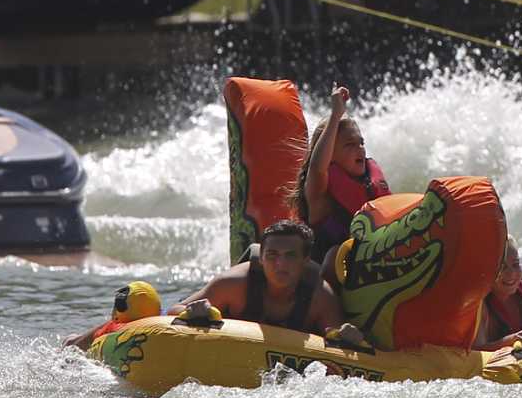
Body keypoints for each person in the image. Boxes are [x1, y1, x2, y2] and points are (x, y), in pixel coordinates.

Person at [175, 219, 365, 343]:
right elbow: (172, 312)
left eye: (290, 256)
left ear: (305, 260)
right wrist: (191, 312)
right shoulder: (232, 284)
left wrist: (348, 337)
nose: (280, 264)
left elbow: (338, 339)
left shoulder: (320, 296)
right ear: (262, 258)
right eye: (272, 255)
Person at [295, 85, 389, 265]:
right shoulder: (319, 193)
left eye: (361, 143)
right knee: (334, 255)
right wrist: (336, 114)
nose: (360, 149)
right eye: (350, 145)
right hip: (329, 273)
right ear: (330, 154)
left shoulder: (371, 179)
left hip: (374, 263)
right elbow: (317, 167)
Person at [65, 280, 163, 351]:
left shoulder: (111, 327)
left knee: (71, 339)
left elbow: (72, 345)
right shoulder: (164, 322)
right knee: (71, 339)